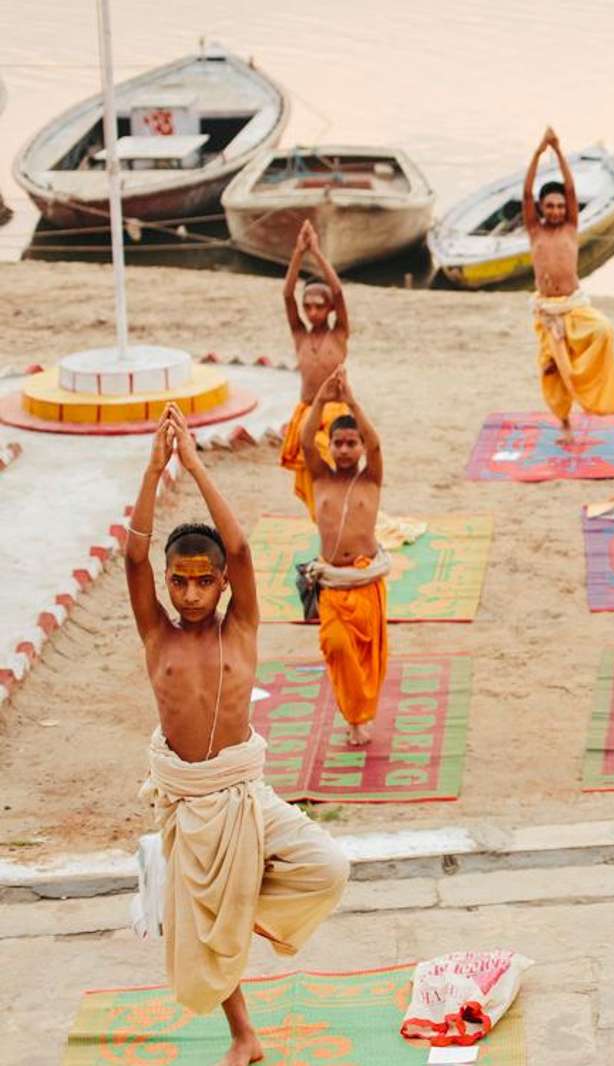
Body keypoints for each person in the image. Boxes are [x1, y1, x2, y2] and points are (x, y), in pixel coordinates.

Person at [125, 405, 349, 1066]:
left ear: (223, 583)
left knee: (329, 868)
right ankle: (244, 1036)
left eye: (204, 581)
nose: (191, 594)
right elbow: (133, 556)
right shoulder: (157, 634)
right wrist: (153, 470)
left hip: (245, 796)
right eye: (180, 581)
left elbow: (244, 548)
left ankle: (245, 907)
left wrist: (195, 466)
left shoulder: (241, 626)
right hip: (190, 803)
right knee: (204, 947)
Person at [299, 368, 388, 747]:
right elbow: (305, 441)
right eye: (339, 443)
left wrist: (351, 401)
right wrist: (321, 400)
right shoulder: (320, 478)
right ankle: (353, 716)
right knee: (336, 646)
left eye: (352, 443)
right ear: (330, 446)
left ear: (361, 448)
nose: (345, 449)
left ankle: (359, 715)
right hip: (333, 582)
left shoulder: (370, 479)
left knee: (365, 656)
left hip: (365, 579)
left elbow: (377, 444)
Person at [526, 126, 614, 445]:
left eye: (559, 206)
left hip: (574, 306)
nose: (555, 210)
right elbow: (526, 193)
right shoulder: (535, 231)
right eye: (549, 206)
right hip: (547, 310)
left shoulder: (570, 227)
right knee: (552, 370)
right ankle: (565, 422)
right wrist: (539, 153)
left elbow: (569, 189)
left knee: (604, 329)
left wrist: (558, 150)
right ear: (541, 208)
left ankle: (587, 381)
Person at [279, 222, 350, 517]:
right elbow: (287, 295)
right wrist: (298, 253)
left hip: (336, 412)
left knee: (335, 464)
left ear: (330, 308)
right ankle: (321, 518)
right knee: (310, 473)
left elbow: (338, 291)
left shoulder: (339, 333)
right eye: (307, 306)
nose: (312, 312)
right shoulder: (300, 335)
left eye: (319, 306)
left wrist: (317, 252)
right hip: (308, 411)